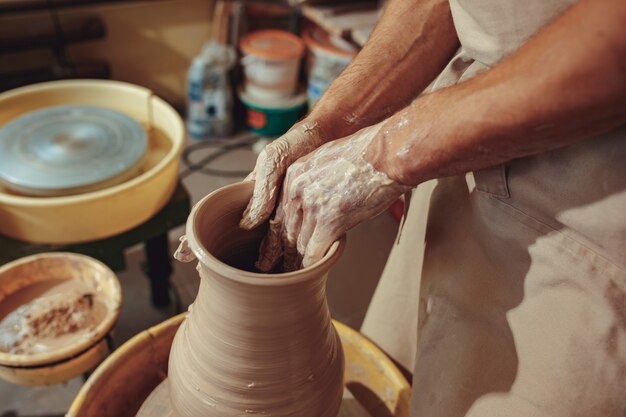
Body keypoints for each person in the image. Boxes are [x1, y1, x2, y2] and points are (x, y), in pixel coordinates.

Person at [241, 0, 626, 415]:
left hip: (585, 191)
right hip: (454, 136)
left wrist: (387, 153)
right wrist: (327, 126)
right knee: (395, 381)